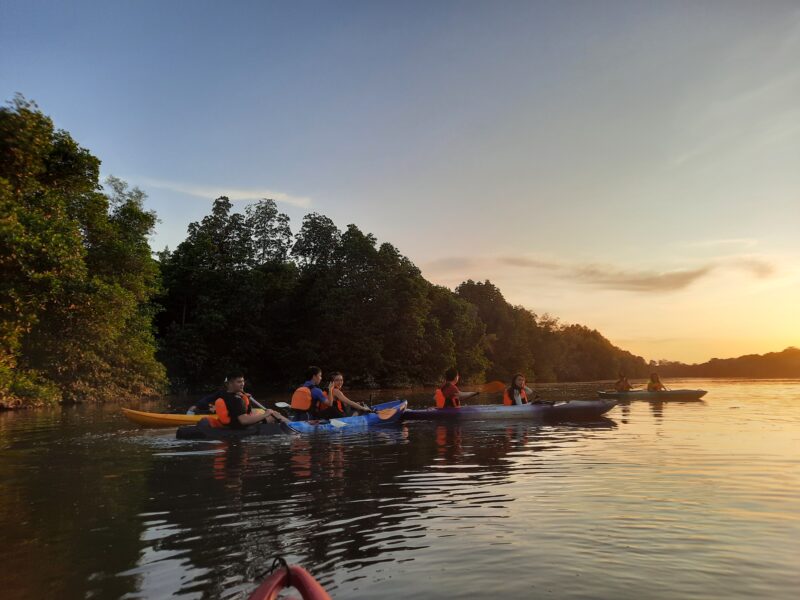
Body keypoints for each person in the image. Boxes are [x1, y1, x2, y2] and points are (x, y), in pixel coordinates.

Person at [208, 373, 285, 429]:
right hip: (241, 427)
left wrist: (245, 398)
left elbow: (241, 410)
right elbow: (244, 421)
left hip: (231, 424)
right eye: (239, 382)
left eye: (242, 381)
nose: (242, 384)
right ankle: (293, 426)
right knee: (275, 415)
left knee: (268, 413)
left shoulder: (224, 394)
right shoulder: (237, 400)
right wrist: (266, 414)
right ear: (230, 383)